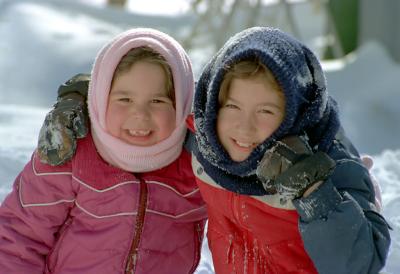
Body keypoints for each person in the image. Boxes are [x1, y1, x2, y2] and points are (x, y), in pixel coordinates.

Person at [34, 27, 390, 274]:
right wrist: (84, 102)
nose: (244, 128)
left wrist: (315, 193)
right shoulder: (206, 147)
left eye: (266, 111)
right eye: (231, 107)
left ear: (299, 112)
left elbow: (359, 265)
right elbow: (149, 124)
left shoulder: (330, 165)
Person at [0, 28, 207, 274]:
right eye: (124, 99)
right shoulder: (71, 155)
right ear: (100, 97)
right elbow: (19, 237)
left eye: (158, 101)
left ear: (182, 103)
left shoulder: (197, 168)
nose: (140, 114)